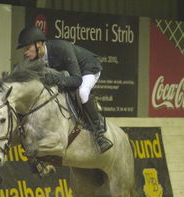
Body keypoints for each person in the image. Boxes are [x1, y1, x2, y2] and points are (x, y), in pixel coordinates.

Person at [16, 25, 113, 153]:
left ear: (39, 44)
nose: (25, 52)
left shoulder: (61, 48)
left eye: (28, 48)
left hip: (88, 69)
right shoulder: (32, 58)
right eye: (24, 49)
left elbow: (77, 80)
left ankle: (99, 134)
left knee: (83, 92)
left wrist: (58, 80)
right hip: (71, 74)